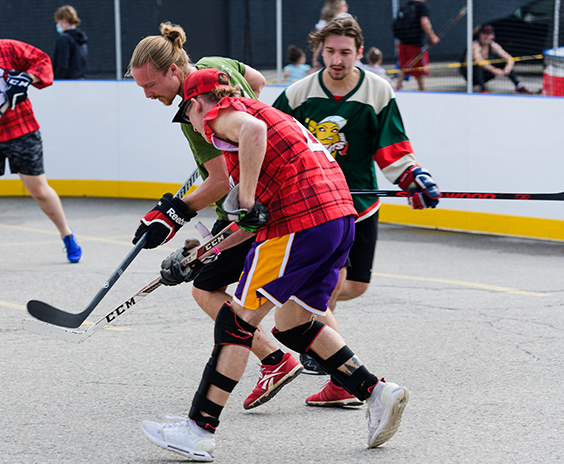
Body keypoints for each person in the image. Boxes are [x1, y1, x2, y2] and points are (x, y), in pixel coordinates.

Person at [140, 68, 410, 461]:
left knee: (237, 321)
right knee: (293, 324)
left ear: (199, 103)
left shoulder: (226, 115)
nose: (194, 128)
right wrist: (202, 255)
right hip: (336, 220)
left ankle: (198, 429)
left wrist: (244, 199)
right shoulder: (269, 118)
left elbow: (252, 139)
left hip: (303, 222)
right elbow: (254, 225)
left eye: (189, 116)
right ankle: (376, 392)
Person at [129, 22, 302, 411]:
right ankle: (353, 381)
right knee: (286, 294)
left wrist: (174, 211)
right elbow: (257, 82)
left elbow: (220, 183)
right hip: (278, 192)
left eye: (151, 85)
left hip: (251, 205)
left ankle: (275, 361)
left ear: (173, 71)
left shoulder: (194, 110)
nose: (148, 95)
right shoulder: (216, 63)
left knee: (206, 287)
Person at [272, 16, 440, 403]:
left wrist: (413, 177)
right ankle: (338, 369)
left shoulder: (378, 91)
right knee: (330, 283)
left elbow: (391, 148)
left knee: (356, 285)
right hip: (316, 208)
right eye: (330, 51)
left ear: (359, 52)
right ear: (320, 50)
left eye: (345, 52)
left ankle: (305, 321)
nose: (337, 59)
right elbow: (276, 143)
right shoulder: (298, 93)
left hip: (360, 204)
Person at [0, 9, 82, 271]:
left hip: (22, 130)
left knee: (39, 191)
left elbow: (42, 62)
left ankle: (67, 235)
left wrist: (27, 78)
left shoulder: (10, 48)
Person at [460, 25, 534, 94]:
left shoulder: (493, 45)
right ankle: (483, 89)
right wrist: (494, 70)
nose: (486, 36)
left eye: (488, 34)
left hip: (485, 74)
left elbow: (509, 58)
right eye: (484, 34)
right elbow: (479, 60)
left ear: (492, 36)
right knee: (477, 65)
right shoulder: (475, 45)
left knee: (503, 62)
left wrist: (507, 68)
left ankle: (519, 86)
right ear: (480, 35)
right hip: (471, 76)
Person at [394, 0, 438, 91]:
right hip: (415, 44)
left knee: (404, 66)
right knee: (419, 69)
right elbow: (425, 23)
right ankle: (422, 89)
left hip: (402, 43)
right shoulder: (422, 7)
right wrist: (432, 37)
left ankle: (397, 88)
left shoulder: (405, 6)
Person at [311, 0, 349, 71]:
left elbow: (318, 41)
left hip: (327, 54)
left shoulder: (323, 21)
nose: (347, 6)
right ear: (339, 7)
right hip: (343, 53)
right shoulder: (345, 17)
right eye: (344, 5)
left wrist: (314, 59)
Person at [53, 5, 88, 79]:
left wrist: (57, 81)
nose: (57, 25)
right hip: (80, 81)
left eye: (58, 22)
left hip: (66, 83)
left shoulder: (64, 39)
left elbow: (62, 65)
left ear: (64, 20)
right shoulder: (81, 38)